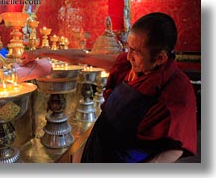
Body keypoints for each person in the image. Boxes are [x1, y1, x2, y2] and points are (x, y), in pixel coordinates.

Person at [80, 12, 197, 163]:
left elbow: (174, 148)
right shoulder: (128, 65)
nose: (128, 56)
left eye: (136, 51)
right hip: (96, 151)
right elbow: (84, 57)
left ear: (160, 58)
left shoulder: (176, 89)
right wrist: (44, 52)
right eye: (129, 48)